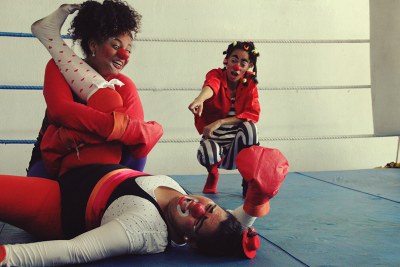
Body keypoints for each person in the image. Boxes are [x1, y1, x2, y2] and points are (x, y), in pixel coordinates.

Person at [0, 145, 289, 266]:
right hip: (85, 165)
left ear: (189, 240)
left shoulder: (142, 230)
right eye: (209, 208)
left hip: (58, 200)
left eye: (198, 221)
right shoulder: (191, 206)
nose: (198, 208)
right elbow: (232, 222)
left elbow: (74, 250)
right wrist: (256, 199)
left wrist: (6, 256)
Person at [27, 1, 161, 178]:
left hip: (109, 161)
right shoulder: (57, 68)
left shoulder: (124, 84)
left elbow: (134, 136)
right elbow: (61, 111)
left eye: (128, 49)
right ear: (93, 46)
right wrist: (115, 128)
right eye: (115, 46)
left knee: (137, 152)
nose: (124, 55)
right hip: (55, 159)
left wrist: (69, 135)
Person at [188, 41, 261, 196]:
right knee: (207, 151)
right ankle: (213, 174)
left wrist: (220, 121)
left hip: (237, 150)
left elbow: (252, 114)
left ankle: (247, 179)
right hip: (216, 145)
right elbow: (211, 86)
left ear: (249, 66)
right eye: (234, 60)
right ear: (226, 60)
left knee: (251, 127)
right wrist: (200, 99)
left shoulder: (250, 84)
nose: (237, 66)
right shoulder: (216, 75)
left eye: (243, 62)